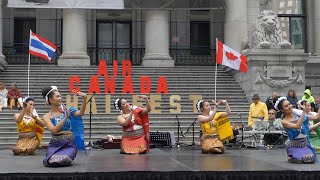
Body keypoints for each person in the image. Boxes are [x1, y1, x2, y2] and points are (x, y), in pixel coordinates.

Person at [41, 86, 87, 167]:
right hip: (55, 144)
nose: (60, 98)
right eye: (58, 96)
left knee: (63, 159)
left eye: (60, 96)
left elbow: (81, 113)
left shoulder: (67, 109)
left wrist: (84, 98)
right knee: (51, 161)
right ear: (51, 100)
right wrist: (66, 117)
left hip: (69, 144)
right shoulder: (46, 116)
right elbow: (54, 130)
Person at [275, 97, 320, 163]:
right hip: (294, 146)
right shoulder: (284, 121)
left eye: (289, 104)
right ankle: (292, 156)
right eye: (286, 106)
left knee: (311, 158)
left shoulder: (298, 115)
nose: (290, 106)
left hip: (305, 145)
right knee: (308, 158)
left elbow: (316, 117)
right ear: (282, 110)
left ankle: (296, 157)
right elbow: (297, 126)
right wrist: (304, 112)